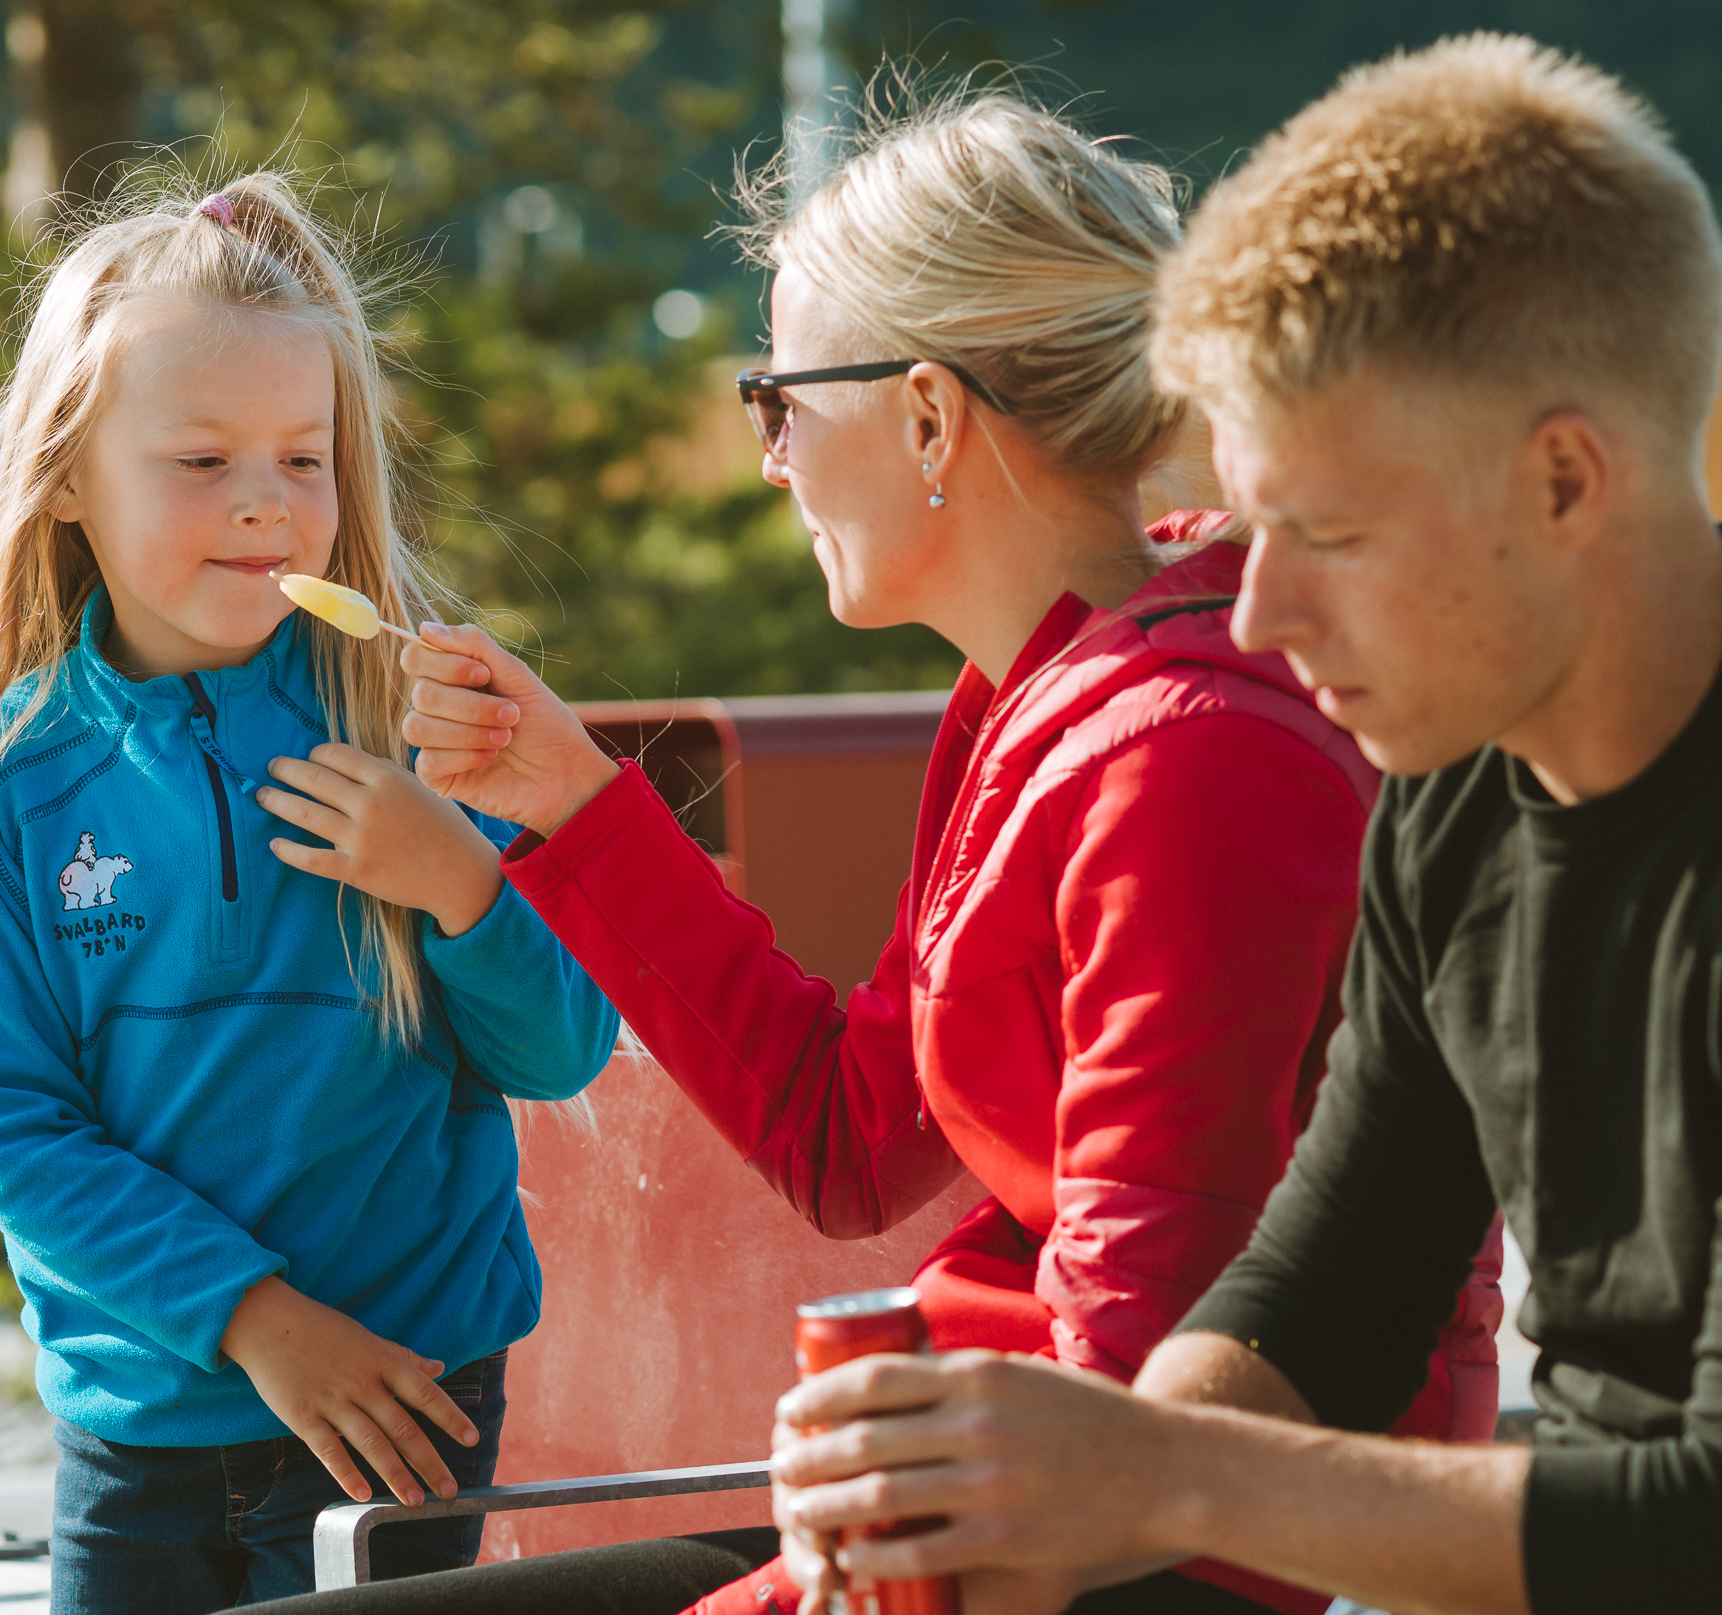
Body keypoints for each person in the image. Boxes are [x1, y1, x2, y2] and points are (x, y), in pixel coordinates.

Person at [257, 90, 1496, 1615]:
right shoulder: (1047, 701)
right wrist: (568, 792)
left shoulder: (1182, 761)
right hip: (999, 1508)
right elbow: (845, 1138)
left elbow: (1126, 1406)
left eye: (778, 398)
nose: (771, 459)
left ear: (927, 415)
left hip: (1150, 1560)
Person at [748, 34, 1722, 1615]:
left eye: (1327, 534)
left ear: (1563, 482)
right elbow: (1323, 1295)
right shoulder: (1455, 801)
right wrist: (1056, 1489)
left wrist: (1148, 1479)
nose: (1259, 605)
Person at [0, 171, 620, 1613]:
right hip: (139, 1426)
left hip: (401, 1413)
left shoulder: (417, 722)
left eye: (305, 462)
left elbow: (559, 1053)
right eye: (200, 463)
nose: (266, 508)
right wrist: (255, 1321)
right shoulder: (11, 781)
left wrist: (461, 884)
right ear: (65, 481)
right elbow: (16, 1127)